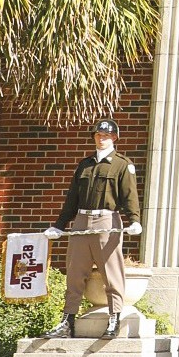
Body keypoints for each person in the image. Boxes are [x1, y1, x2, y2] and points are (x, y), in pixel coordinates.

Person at [43, 118, 143, 339]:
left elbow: (129, 196)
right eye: (98, 135)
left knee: (111, 273)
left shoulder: (122, 164)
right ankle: (67, 321)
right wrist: (60, 225)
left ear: (114, 138)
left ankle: (114, 318)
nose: (102, 138)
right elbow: (72, 199)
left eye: (106, 135)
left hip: (106, 221)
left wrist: (134, 219)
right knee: (75, 273)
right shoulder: (85, 165)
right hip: (82, 220)